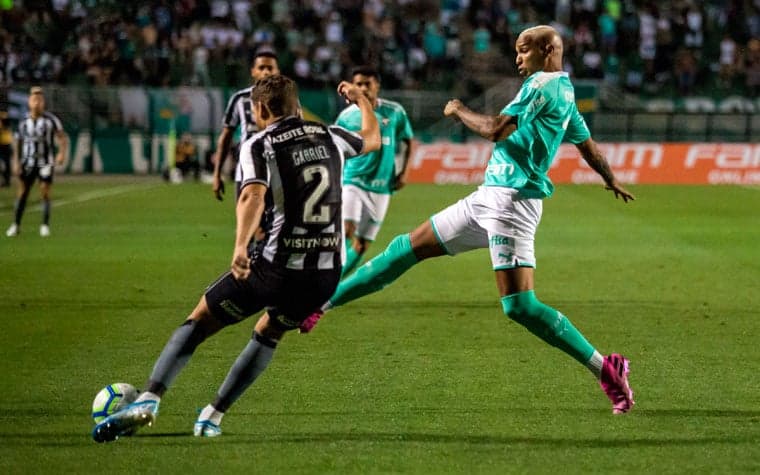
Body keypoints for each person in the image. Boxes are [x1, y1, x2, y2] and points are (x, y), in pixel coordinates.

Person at [301, 25, 637, 415]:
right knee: (405, 248)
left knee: (519, 307)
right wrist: (610, 178)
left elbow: (496, 129)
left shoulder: (542, 87)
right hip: (488, 199)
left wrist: (458, 109)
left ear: (547, 50)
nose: (517, 59)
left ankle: (606, 367)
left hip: (512, 203)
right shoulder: (564, 90)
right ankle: (320, 304)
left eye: (523, 50)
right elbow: (586, 143)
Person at [91, 74, 381, 443]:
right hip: (325, 274)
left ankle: (149, 399)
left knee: (199, 321)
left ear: (259, 109)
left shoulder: (260, 144)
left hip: (275, 267)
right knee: (269, 332)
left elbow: (252, 196)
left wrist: (240, 246)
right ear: (296, 106)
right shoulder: (330, 136)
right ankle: (212, 417)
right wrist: (362, 101)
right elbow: (373, 139)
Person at [335, 66, 415, 276]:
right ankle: (324, 277)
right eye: (358, 84)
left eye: (367, 84)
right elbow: (337, 149)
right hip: (353, 180)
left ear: (377, 85)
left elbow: (408, 140)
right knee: (347, 231)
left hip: (382, 186)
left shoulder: (394, 112)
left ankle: (335, 283)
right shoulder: (346, 117)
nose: (362, 88)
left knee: (361, 245)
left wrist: (404, 172)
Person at [211, 51, 279, 201]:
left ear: (277, 72)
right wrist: (217, 173)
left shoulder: (288, 100)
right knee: (246, 224)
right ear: (253, 72)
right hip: (246, 173)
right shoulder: (240, 99)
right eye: (261, 68)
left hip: (279, 174)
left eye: (270, 68)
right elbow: (226, 137)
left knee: (279, 224)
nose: (266, 72)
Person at [6, 87, 68, 237]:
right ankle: (16, 224)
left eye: (40, 100)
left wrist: (61, 153)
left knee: (45, 192)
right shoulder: (23, 122)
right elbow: (18, 143)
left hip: (45, 162)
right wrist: (16, 162)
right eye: (34, 100)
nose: (37, 103)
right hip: (27, 163)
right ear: (29, 102)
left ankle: (44, 225)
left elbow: (61, 137)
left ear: (43, 103)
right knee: (22, 193)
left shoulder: (51, 120)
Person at [0, 112, 12, 187]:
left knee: (7, 163)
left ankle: (7, 181)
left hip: (5, 143)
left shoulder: (5, 116)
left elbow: (6, 125)